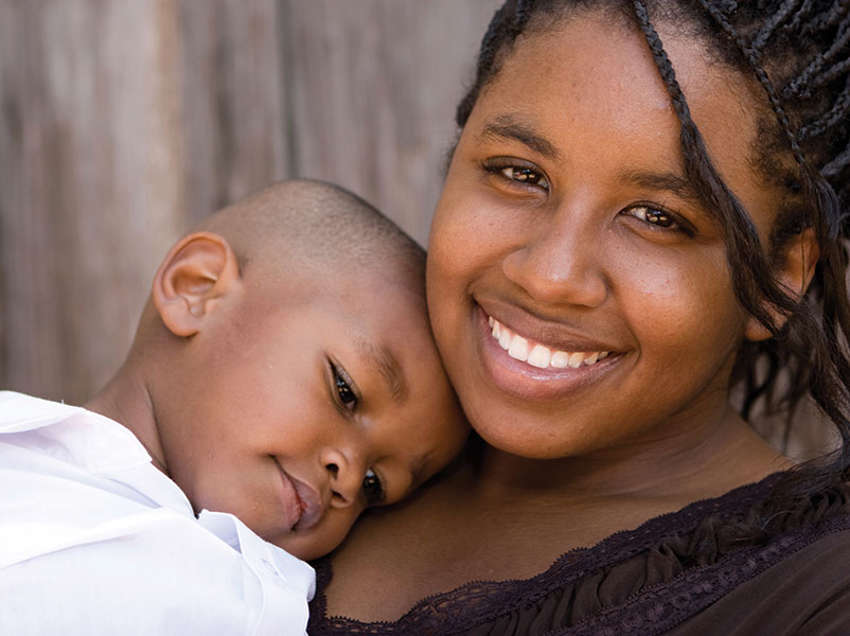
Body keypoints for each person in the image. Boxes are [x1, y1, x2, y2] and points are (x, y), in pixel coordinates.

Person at [308, 1, 850, 634]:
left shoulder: (814, 601)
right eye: (520, 173)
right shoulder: (298, 447)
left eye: (657, 218)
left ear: (780, 277)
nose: (549, 276)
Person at [0, 180, 468, 635]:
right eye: (345, 391)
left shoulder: (250, 604)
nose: (347, 477)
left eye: (375, 485)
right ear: (197, 289)